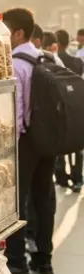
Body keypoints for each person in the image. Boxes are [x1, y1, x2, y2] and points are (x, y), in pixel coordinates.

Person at [3, 8, 55, 274]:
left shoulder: (15, 63)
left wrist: (9, 146)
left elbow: (16, 111)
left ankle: (17, 261)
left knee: (17, 201)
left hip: (26, 140)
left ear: (18, 33)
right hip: (50, 139)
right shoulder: (47, 58)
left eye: (5, 31)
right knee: (44, 198)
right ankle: (44, 259)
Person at [55, 29, 84, 192]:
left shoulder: (53, 61)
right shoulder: (77, 61)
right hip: (76, 109)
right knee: (77, 147)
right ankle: (77, 178)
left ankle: (62, 178)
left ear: (57, 44)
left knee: (59, 145)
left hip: (59, 109)